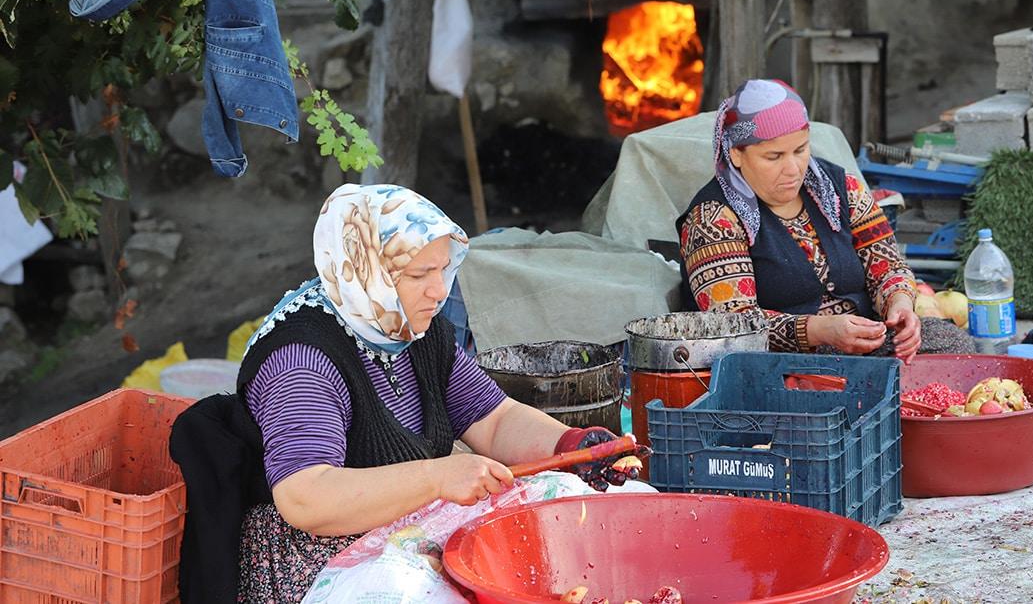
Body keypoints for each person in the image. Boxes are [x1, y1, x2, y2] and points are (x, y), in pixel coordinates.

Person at [172, 183, 636, 603]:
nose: (439, 291)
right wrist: (438, 477)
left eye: (441, 270)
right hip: (312, 559)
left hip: (405, 524)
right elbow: (306, 498)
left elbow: (493, 419)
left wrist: (571, 446)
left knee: (576, 502)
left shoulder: (415, 331)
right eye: (418, 276)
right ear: (366, 273)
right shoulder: (303, 361)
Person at [676, 79, 972, 363]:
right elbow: (734, 324)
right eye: (774, 156)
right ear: (736, 154)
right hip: (778, 364)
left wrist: (900, 304)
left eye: (800, 150)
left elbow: (888, 267)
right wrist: (819, 331)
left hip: (866, 345)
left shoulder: (840, 189)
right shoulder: (712, 218)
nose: (793, 168)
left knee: (952, 343)